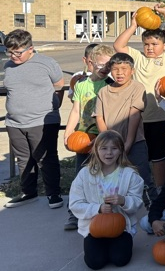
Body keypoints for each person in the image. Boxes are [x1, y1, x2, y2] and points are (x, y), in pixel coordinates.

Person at [113, 2, 165, 194]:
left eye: (154, 44)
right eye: (146, 44)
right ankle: (141, 188)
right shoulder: (137, 57)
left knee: (159, 157)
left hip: (162, 117)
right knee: (140, 156)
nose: (150, 48)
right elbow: (118, 45)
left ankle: (160, 188)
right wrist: (134, 25)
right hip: (139, 118)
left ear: (164, 45)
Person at [3, 29, 65, 209]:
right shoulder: (8, 66)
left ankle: (54, 194)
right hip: (15, 122)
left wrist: (51, 107)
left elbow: (59, 85)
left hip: (42, 120)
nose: (13, 55)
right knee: (23, 159)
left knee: (46, 159)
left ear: (31, 48)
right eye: (10, 51)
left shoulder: (46, 63)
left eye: (18, 52)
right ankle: (28, 192)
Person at [68, 131, 144, 270]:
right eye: (104, 148)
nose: (109, 153)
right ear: (95, 150)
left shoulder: (130, 175)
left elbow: (137, 201)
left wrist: (124, 201)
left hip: (121, 227)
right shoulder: (85, 174)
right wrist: (98, 208)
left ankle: (117, 245)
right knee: (95, 263)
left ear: (121, 150)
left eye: (114, 148)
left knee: (120, 259)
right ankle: (101, 247)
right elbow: (75, 203)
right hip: (93, 228)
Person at [63, 44, 115, 230]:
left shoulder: (110, 86)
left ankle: (105, 210)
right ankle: (74, 213)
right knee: (80, 176)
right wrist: (68, 131)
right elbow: (76, 110)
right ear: (91, 63)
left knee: (104, 176)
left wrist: (101, 138)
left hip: (103, 138)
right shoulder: (81, 84)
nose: (105, 70)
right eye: (101, 66)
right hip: (83, 138)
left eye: (109, 66)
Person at [95, 53, 155, 208]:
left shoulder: (137, 87)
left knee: (143, 177)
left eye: (124, 68)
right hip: (110, 146)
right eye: (115, 69)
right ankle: (111, 211)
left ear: (132, 71)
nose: (119, 73)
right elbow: (99, 118)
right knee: (111, 178)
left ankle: (154, 212)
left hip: (135, 142)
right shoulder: (103, 92)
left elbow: (134, 116)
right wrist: (107, 142)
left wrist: (127, 143)